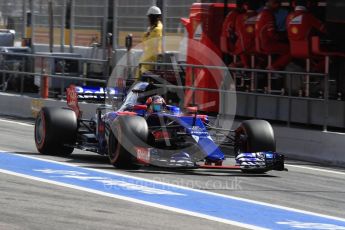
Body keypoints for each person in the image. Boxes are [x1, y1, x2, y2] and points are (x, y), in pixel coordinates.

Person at [287, 0, 327, 71]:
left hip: (294, 50)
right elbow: (324, 29)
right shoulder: (309, 16)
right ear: (308, 5)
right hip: (308, 50)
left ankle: (310, 72)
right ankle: (315, 72)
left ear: (294, 5)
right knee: (331, 56)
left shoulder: (289, 17)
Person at [255, 0, 291, 70]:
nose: (278, 6)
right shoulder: (268, 14)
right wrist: (282, 37)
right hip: (268, 44)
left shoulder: (260, 13)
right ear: (269, 3)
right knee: (291, 50)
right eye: (276, 3)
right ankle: (274, 67)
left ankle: (263, 67)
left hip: (260, 43)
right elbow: (271, 34)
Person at [138, 6, 163, 79]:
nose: (148, 19)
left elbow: (146, 43)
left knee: (143, 80)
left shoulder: (156, 30)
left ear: (153, 17)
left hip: (150, 59)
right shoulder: (154, 28)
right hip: (149, 58)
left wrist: (146, 34)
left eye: (149, 17)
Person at [233, 0, 259, 68]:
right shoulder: (260, 16)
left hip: (242, 47)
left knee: (240, 48)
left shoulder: (239, 17)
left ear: (245, 6)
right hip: (256, 47)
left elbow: (237, 32)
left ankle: (245, 66)